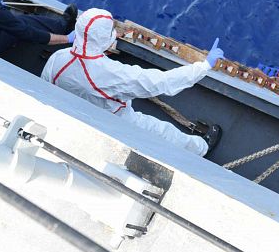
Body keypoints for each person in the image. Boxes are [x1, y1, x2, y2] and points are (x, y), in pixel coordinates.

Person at [41, 8, 223, 157]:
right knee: (163, 132)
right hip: (115, 120)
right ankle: (201, 148)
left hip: (76, 114)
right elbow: (162, 82)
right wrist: (204, 66)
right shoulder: (111, 73)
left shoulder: (58, 59)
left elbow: (45, 88)